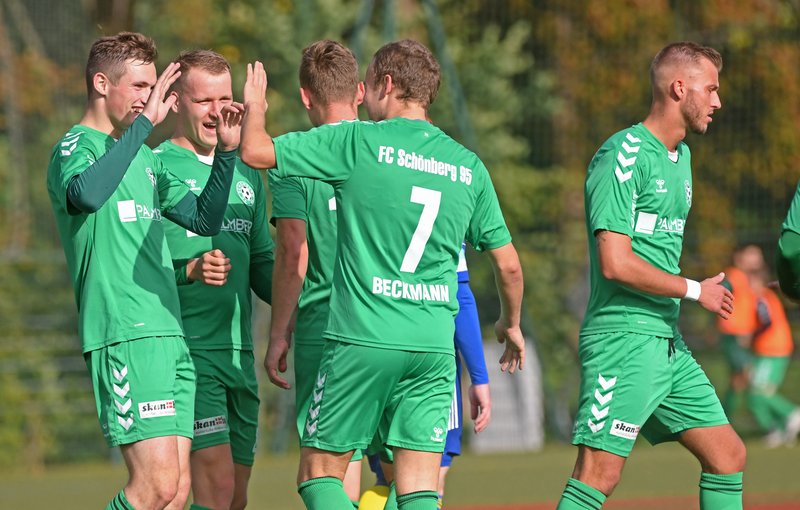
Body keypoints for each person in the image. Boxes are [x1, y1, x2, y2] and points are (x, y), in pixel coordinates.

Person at [241, 39, 525, 510]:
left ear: (386, 85)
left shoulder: (358, 142)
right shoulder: (467, 165)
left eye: (369, 82)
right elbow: (509, 265)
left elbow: (254, 151)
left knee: (319, 475)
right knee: (418, 488)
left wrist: (255, 106)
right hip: (432, 347)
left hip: (363, 337)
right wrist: (510, 324)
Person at [46, 32, 240, 510]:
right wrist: (144, 126)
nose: (149, 99)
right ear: (101, 83)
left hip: (170, 336)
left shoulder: (145, 159)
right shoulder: (75, 145)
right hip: (125, 334)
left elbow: (204, 219)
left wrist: (227, 154)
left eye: (153, 88)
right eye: (138, 87)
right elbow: (86, 195)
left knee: (175, 493)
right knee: (153, 487)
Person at [557, 42, 745, 510]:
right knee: (599, 473)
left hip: (665, 341)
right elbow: (615, 263)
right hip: (622, 340)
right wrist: (695, 290)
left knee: (727, 455)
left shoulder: (682, 158)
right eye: (711, 89)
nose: (718, 101)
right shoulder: (622, 153)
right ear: (679, 88)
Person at [155, 49, 274, 510]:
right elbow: (132, 269)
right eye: (204, 101)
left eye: (225, 99)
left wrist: (308, 294)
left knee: (236, 497)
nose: (217, 111)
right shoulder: (156, 167)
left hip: (239, 355)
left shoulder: (245, 169)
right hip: (190, 352)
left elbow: (262, 263)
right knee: (218, 486)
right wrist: (188, 271)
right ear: (176, 101)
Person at [265, 39, 366, 507]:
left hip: (328, 325)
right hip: (399, 318)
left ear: (305, 96)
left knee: (326, 467)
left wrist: (278, 334)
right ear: (360, 91)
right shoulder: (389, 150)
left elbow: (293, 251)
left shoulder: (293, 157)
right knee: (407, 471)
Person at [745, 263, 800, 447]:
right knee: (758, 392)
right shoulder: (764, 297)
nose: (748, 284)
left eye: (751, 281)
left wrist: (751, 336)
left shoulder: (761, 298)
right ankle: (778, 428)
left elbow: (766, 321)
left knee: (759, 391)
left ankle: (791, 414)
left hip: (772, 350)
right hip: (770, 350)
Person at [716, 245, 762, 418]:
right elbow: (721, 294)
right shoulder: (734, 276)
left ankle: (722, 417)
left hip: (741, 335)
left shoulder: (748, 279)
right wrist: (739, 330)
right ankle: (785, 415)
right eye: (752, 254)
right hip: (734, 335)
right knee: (749, 375)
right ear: (739, 257)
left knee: (738, 380)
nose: (756, 258)